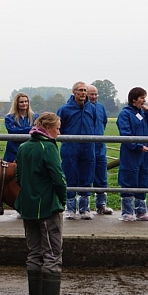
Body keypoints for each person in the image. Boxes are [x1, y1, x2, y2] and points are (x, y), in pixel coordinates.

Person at [14, 112, 74, 295]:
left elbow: (18, 177)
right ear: (48, 128)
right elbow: (58, 178)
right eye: (57, 128)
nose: (59, 131)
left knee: (34, 253)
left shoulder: (23, 147)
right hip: (47, 207)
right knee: (52, 254)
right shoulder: (48, 147)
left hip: (28, 208)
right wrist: (62, 200)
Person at [116, 87, 148, 221]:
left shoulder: (143, 113)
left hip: (144, 154)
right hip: (131, 153)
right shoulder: (125, 114)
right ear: (134, 99)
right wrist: (137, 146)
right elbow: (125, 134)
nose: (144, 100)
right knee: (129, 180)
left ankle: (141, 211)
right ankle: (127, 212)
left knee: (143, 180)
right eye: (142, 98)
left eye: (144, 97)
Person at [56, 81, 97, 220]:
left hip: (88, 146)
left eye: (85, 90)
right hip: (70, 147)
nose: (83, 93)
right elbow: (59, 128)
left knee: (87, 175)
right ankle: (70, 208)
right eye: (80, 90)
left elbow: (95, 124)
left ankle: (85, 208)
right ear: (74, 92)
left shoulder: (91, 108)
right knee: (70, 175)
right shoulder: (65, 109)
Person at [87, 84, 113, 215]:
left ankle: (101, 204)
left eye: (95, 94)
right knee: (85, 177)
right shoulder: (83, 108)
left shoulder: (100, 107)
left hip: (100, 147)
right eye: (91, 94)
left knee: (101, 176)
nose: (94, 97)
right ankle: (83, 207)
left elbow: (104, 122)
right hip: (86, 147)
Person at [3, 92, 37, 163]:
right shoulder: (9, 118)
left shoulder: (35, 117)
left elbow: (37, 130)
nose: (24, 104)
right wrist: (30, 129)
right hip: (13, 151)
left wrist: (18, 129)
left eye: (26, 101)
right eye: (21, 102)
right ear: (16, 104)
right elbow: (12, 131)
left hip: (30, 150)